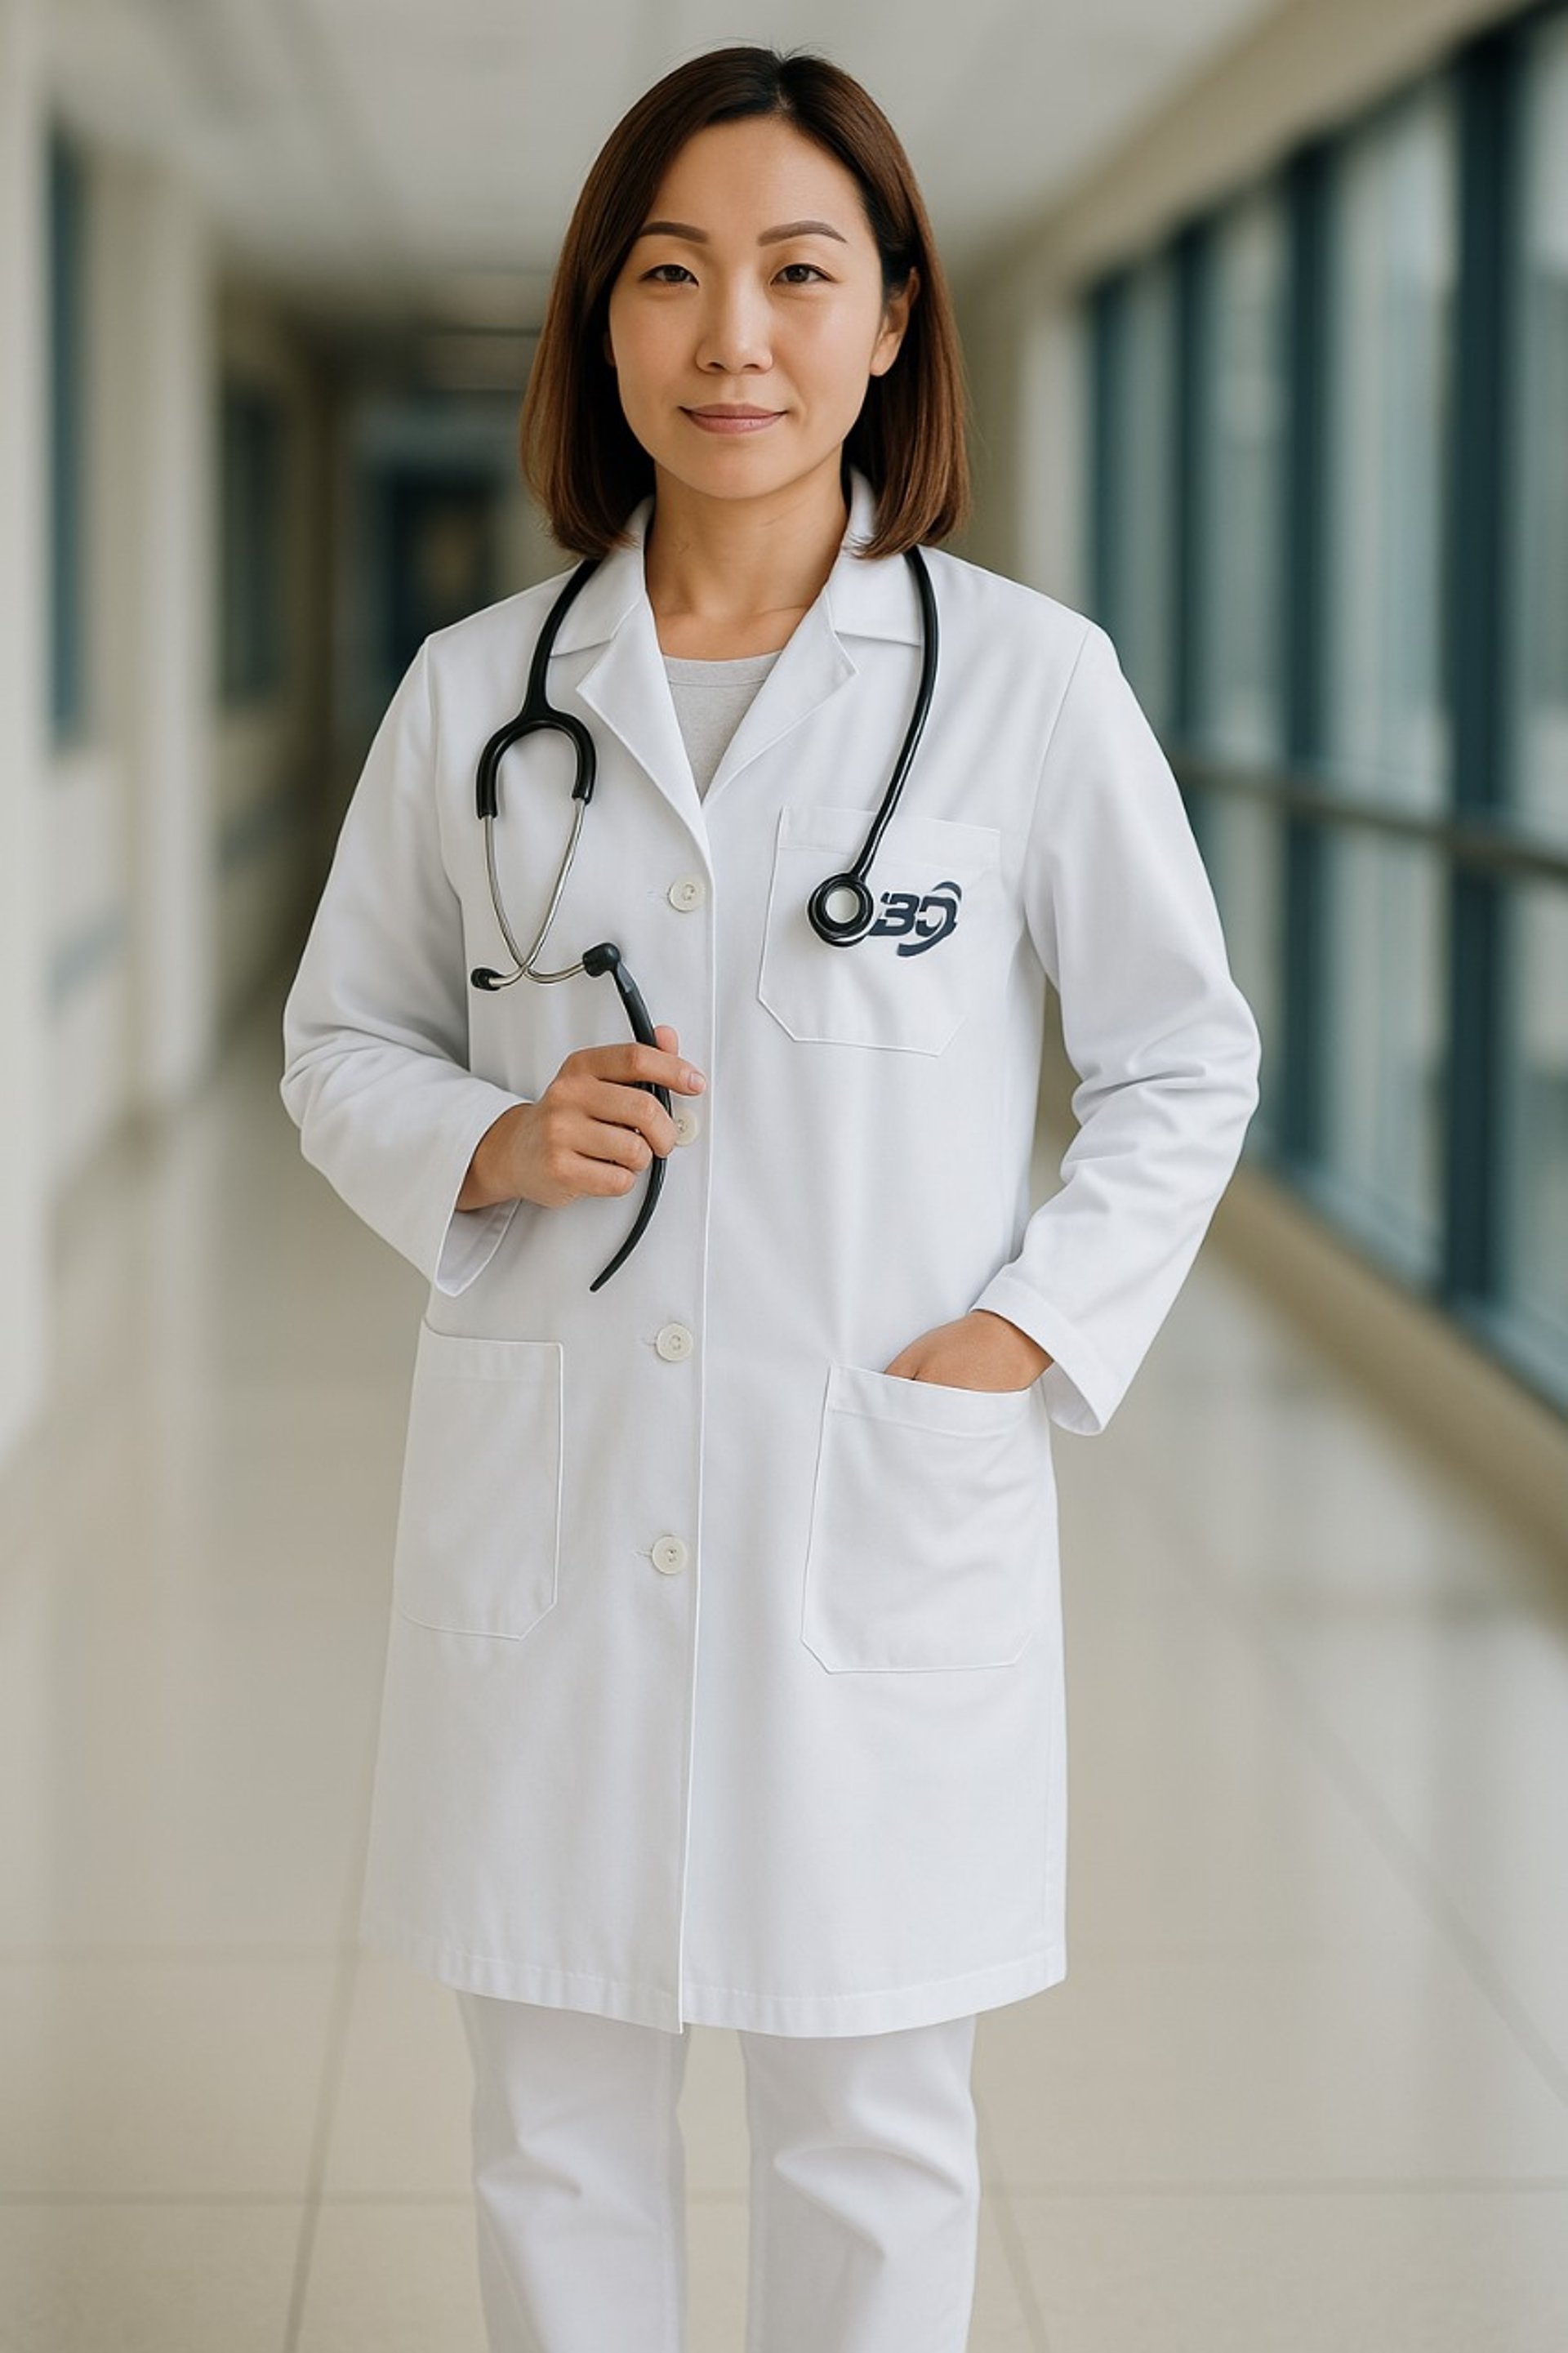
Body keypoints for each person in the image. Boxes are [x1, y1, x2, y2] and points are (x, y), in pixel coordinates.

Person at [278, 41, 1262, 2353]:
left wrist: (1022, 1331)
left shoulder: (1023, 686)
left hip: (872, 1497)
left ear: (894, 318)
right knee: (553, 2133)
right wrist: (488, 1142)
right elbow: (338, 1040)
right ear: (601, 323)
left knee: (871, 2128)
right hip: (562, 1500)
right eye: (676, 274)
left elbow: (1182, 1051)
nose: (736, 336)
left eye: (800, 273)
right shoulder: (473, 699)